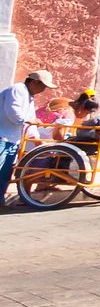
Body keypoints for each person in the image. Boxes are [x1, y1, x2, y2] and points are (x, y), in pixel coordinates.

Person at [0, 69, 55, 205]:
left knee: (5, 174)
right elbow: (14, 114)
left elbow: (31, 122)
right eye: (43, 86)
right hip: (2, 136)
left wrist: (38, 143)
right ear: (35, 82)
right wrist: (30, 121)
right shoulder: (17, 90)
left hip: (13, 140)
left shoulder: (29, 97)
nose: (43, 90)